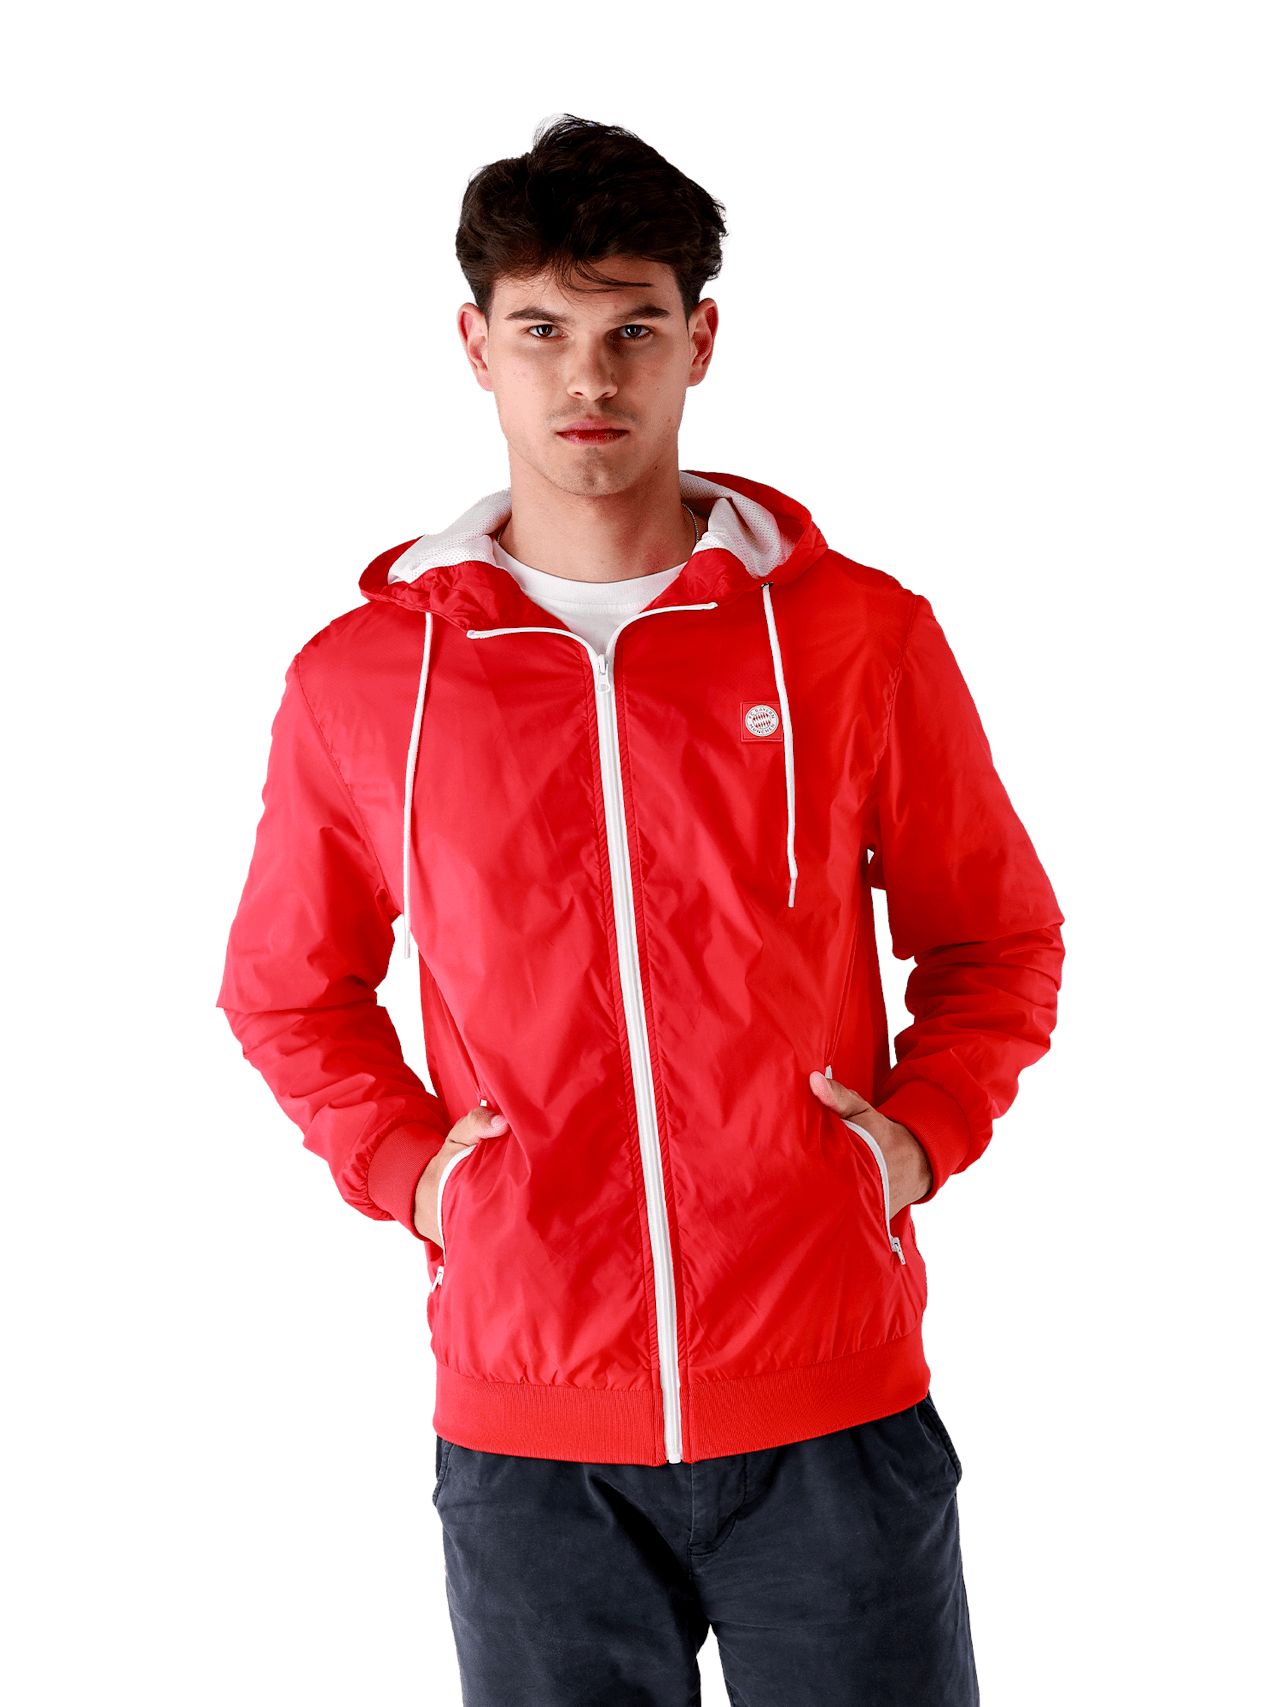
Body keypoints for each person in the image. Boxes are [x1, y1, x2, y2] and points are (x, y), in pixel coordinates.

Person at [218, 113, 1064, 1706]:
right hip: (530, 1438)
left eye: (632, 330)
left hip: (831, 1408)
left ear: (700, 342)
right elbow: (286, 986)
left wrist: (921, 1131)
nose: (588, 377)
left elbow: (996, 937)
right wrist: (413, 1173)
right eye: (543, 330)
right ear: (478, 347)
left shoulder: (859, 637)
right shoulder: (361, 681)